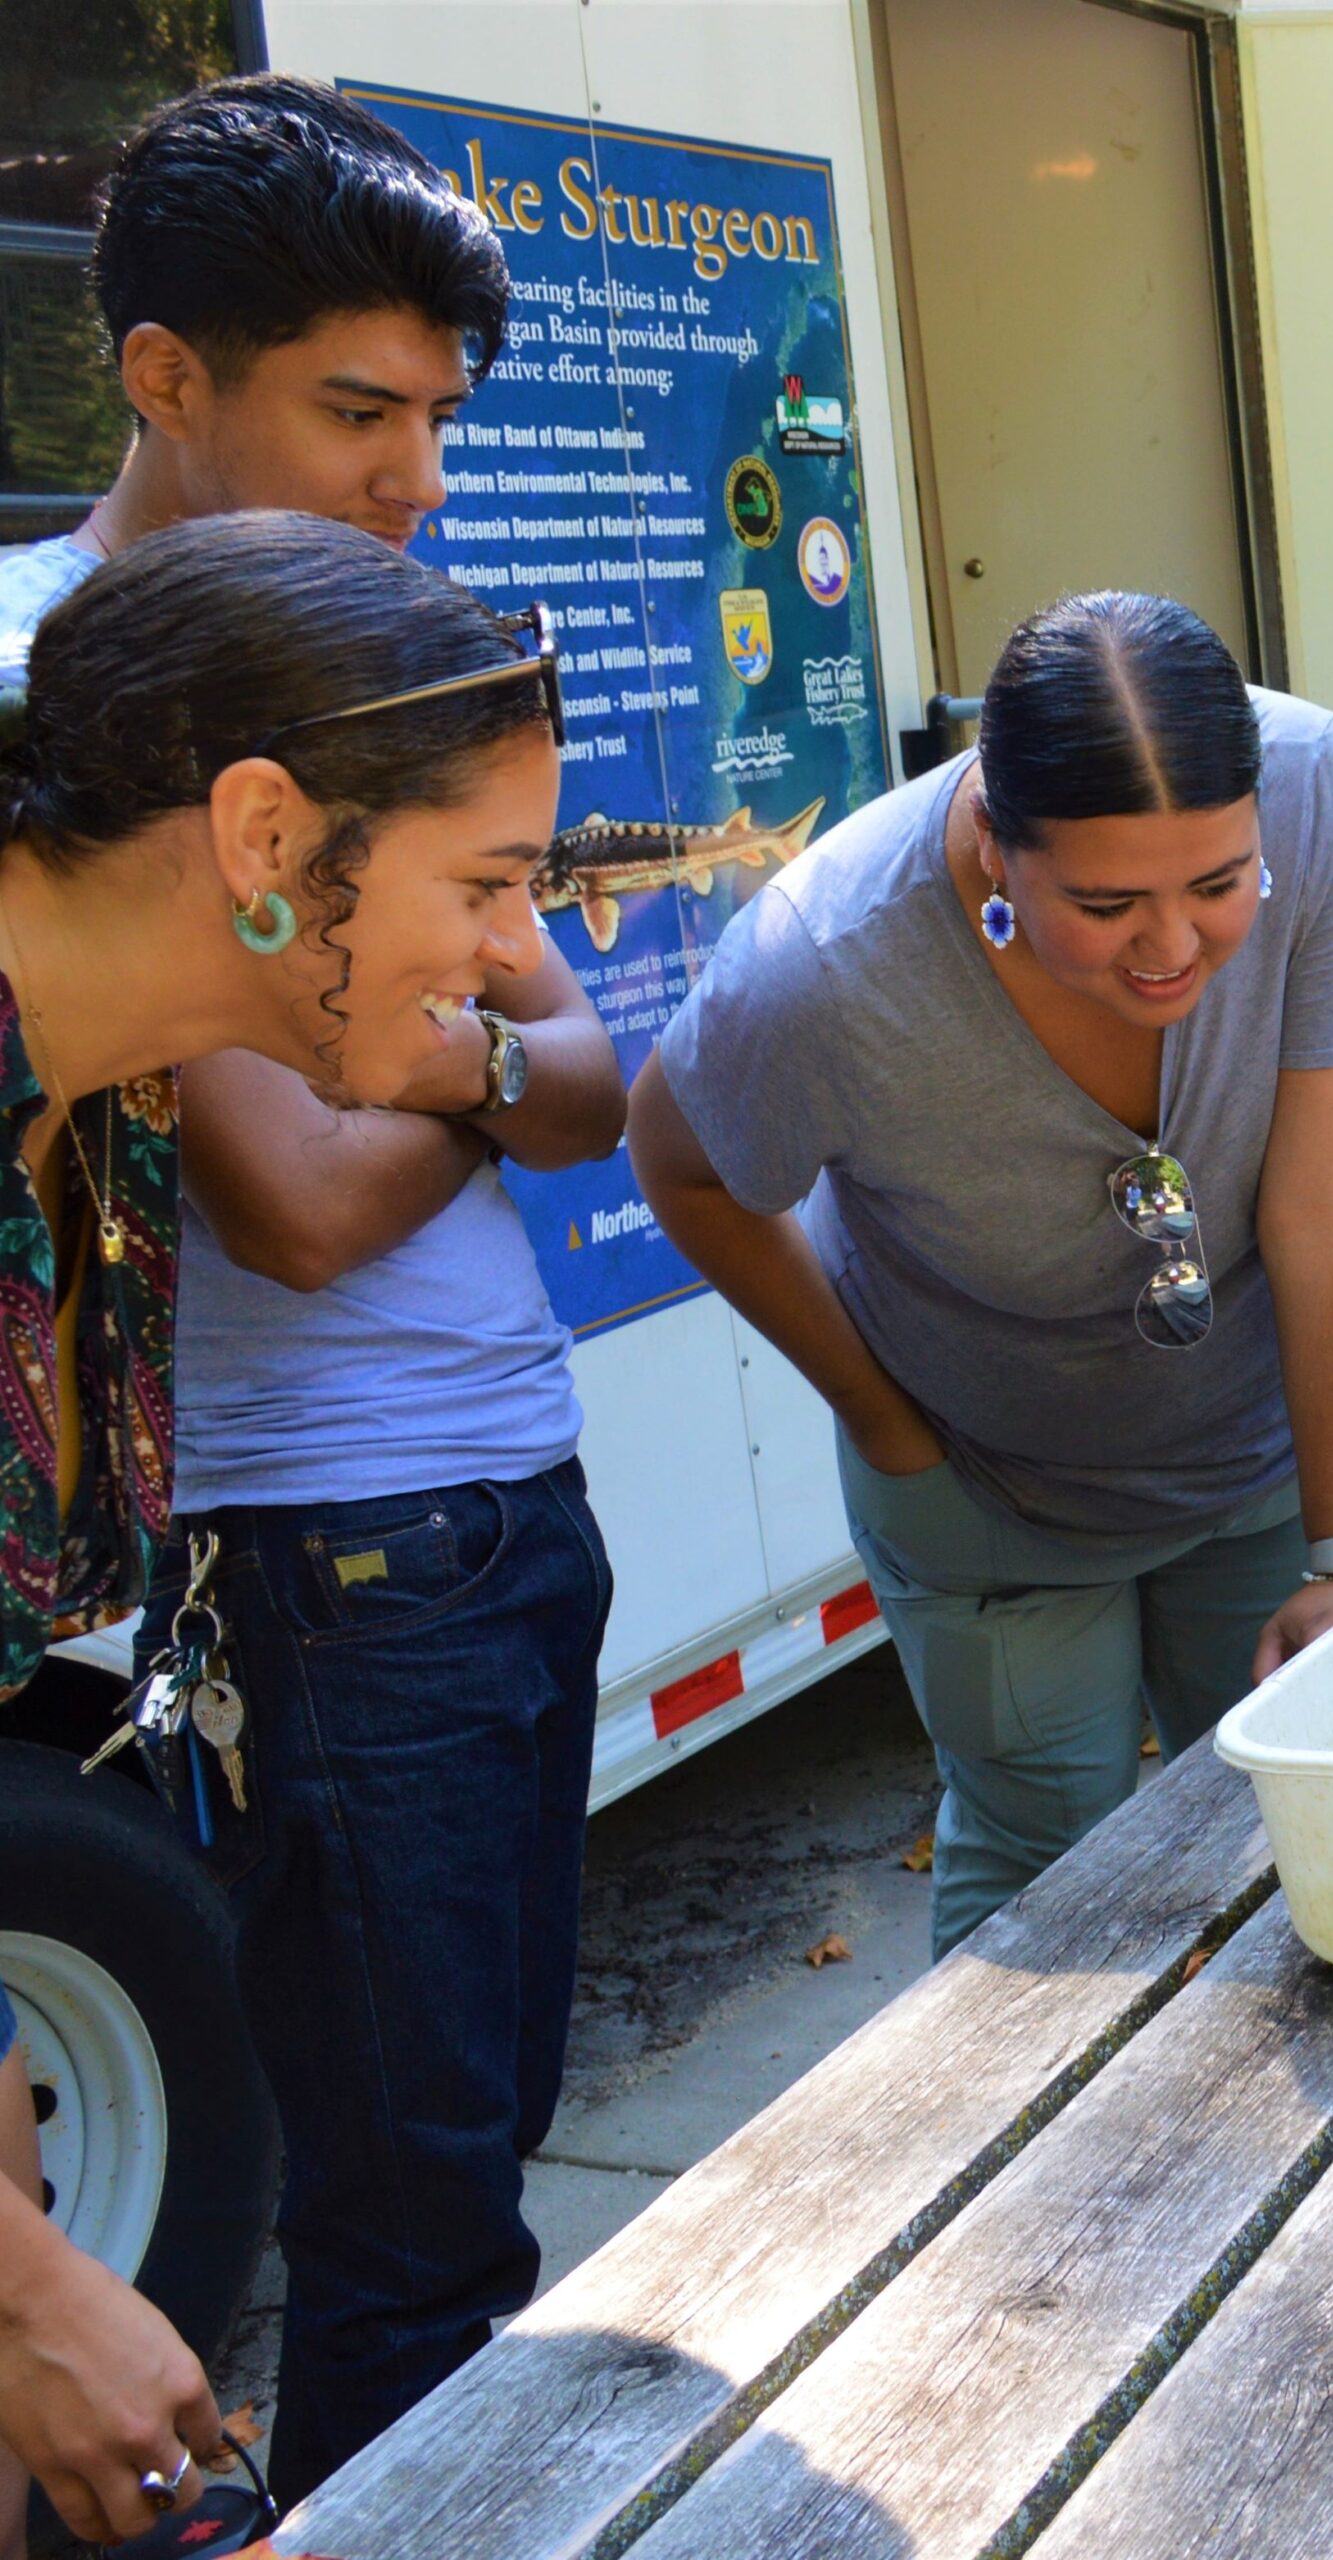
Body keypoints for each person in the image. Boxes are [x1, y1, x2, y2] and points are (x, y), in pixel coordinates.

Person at [0, 75, 622, 2510]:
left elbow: (565, 1080)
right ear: (255, 836)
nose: (508, 972)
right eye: (484, 886)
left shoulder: (83, 1125)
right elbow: (498, 1104)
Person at [629, 591, 1333, 1955]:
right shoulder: (824, 965)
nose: (1172, 947)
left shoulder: (1322, 793)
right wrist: (883, 1425)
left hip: (1251, 1459)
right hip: (981, 1484)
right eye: (1107, 903)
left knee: (1303, 1838)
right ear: (994, 847)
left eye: (1219, 886)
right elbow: (681, 1160)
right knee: (1047, 1883)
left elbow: (1329, 1198)